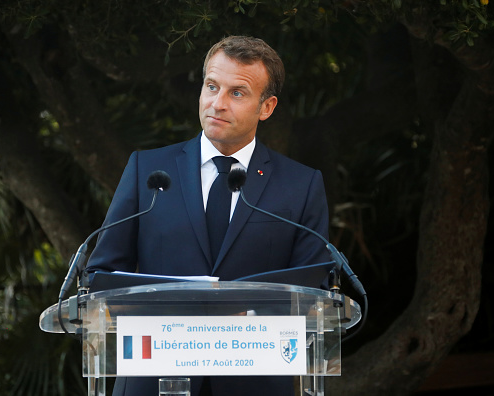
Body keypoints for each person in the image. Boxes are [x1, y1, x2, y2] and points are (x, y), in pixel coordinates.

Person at [86, 35, 331, 396]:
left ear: (266, 107)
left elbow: (314, 293)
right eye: (212, 87)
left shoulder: (301, 184)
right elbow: (101, 275)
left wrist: (245, 322)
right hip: (154, 378)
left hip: (254, 383)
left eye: (237, 93)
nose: (217, 103)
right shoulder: (148, 170)